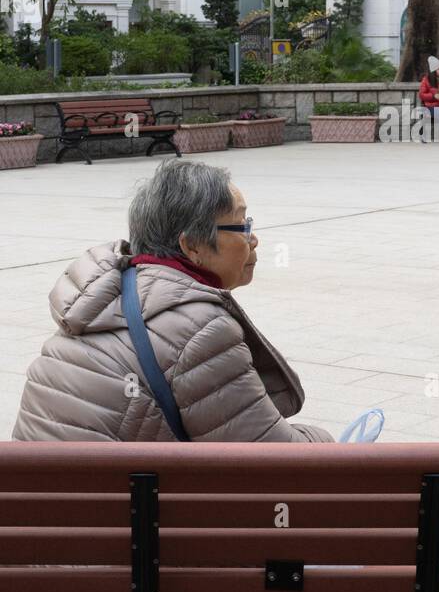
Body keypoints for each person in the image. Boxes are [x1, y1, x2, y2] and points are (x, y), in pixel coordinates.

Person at [13, 160, 334, 443]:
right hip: (124, 508)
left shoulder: (103, 296)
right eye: (241, 224)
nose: (253, 238)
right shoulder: (199, 327)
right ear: (192, 244)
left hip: (42, 500)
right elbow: (267, 459)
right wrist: (327, 440)